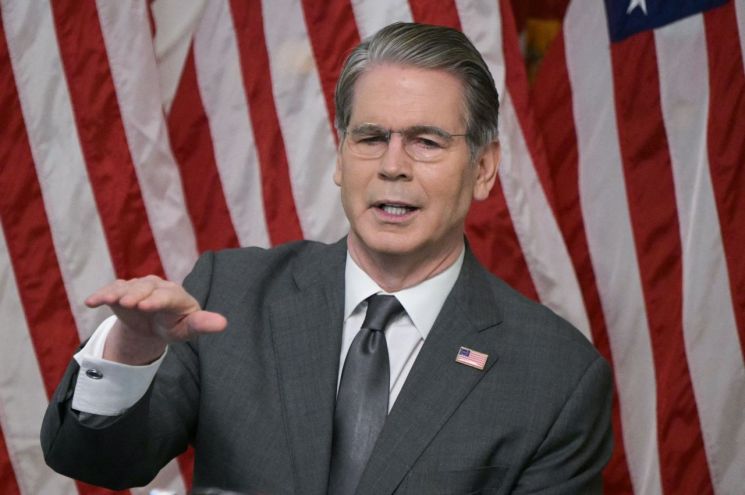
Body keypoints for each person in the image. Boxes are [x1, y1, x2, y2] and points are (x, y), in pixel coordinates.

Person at [41, 22, 613, 494]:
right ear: (340, 157)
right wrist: (131, 353)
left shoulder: (557, 377)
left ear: (484, 168)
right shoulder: (229, 295)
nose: (392, 166)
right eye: (371, 138)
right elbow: (96, 461)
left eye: (426, 142)